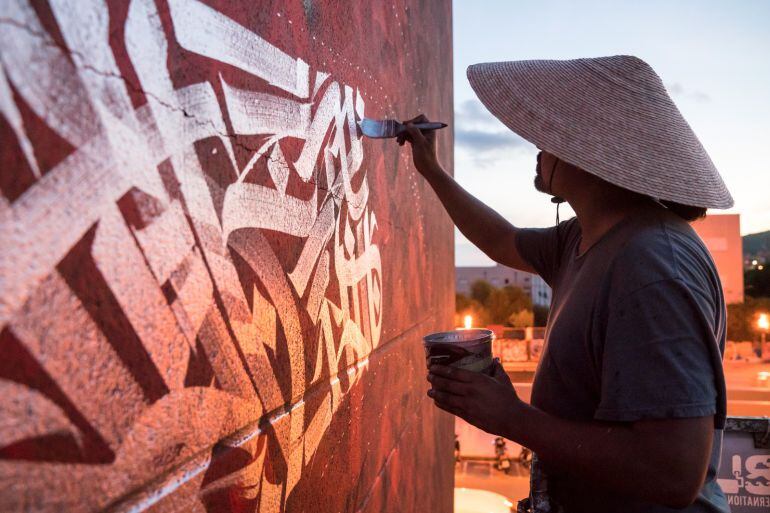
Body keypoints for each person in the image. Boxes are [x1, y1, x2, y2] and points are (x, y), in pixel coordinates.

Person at [399, 55, 731, 512]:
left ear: (588, 151)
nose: (537, 143)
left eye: (551, 132)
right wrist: (431, 170)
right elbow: (501, 240)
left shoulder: (653, 267)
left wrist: (512, 418)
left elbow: (673, 473)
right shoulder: (587, 236)